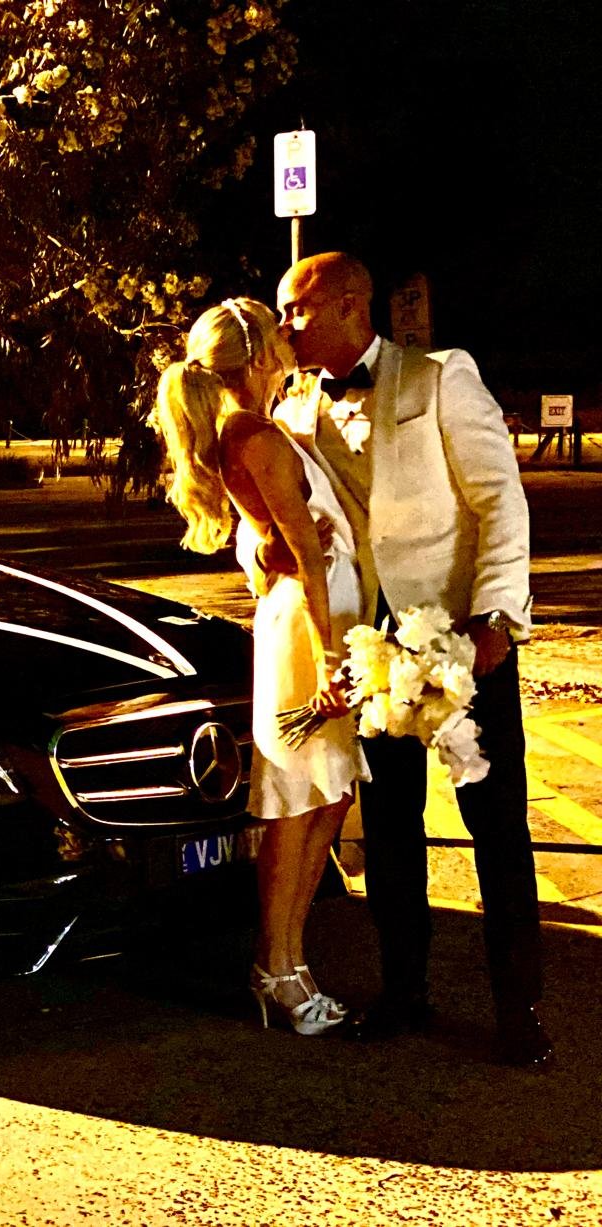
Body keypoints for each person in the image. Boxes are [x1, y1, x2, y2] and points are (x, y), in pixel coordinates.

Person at [260, 251, 549, 1067]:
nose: (285, 325)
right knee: (389, 830)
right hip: (368, 645)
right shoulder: (292, 407)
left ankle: (519, 1007)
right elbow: (277, 512)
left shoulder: (442, 376)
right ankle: (404, 990)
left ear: (351, 304)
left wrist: (497, 616)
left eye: (297, 308)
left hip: (463, 640)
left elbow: (500, 500)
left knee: (496, 825)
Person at [151, 297, 364, 1035]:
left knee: (330, 794)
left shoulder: (258, 427)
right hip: (309, 627)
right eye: (279, 330)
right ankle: (274, 966)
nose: (290, 334)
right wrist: (329, 657)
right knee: (297, 799)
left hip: (325, 616)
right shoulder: (254, 435)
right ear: (261, 353)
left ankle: (294, 957)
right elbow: (302, 554)